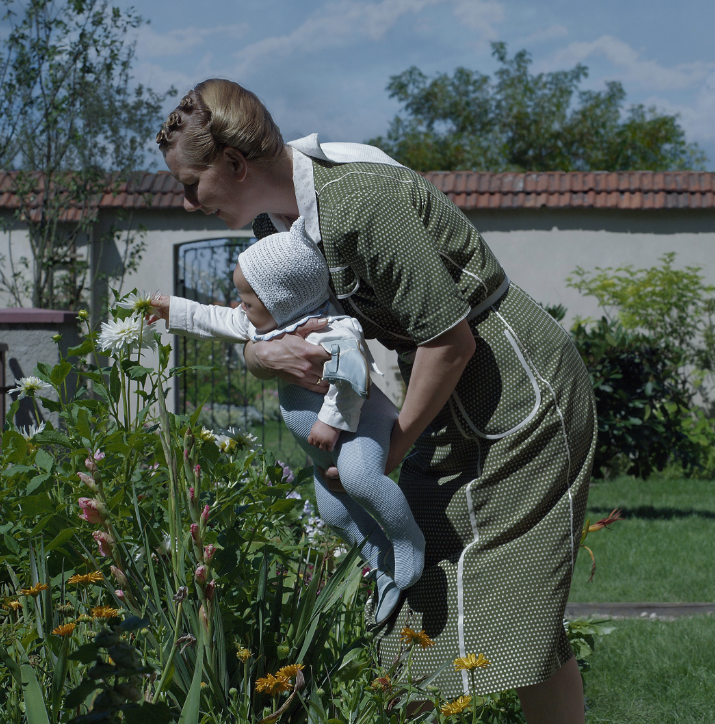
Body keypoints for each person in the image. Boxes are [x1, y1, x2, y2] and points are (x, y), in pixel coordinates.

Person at [155, 78, 596, 723]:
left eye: (192, 185)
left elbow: (451, 342)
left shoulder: (359, 203)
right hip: (444, 398)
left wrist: (393, 448)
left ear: (235, 163)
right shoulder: (276, 226)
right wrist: (261, 357)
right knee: (415, 589)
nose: (188, 203)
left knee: (519, 609)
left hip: (517, 392)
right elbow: (268, 327)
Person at [149, 217, 425, 623]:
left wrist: (330, 421)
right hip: (325, 448)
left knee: (361, 480)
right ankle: (380, 560)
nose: (240, 306)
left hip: (358, 427)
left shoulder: (333, 329)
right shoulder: (267, 324)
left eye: (248, 301)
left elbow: (353, 376)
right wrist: (171, 308)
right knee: (334, 513)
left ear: (281, 300)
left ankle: (407, 541)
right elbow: (215, 319)